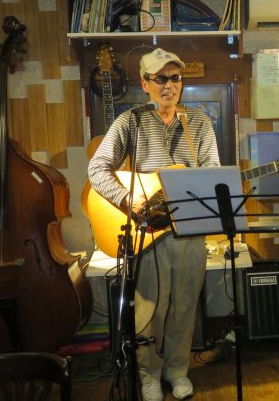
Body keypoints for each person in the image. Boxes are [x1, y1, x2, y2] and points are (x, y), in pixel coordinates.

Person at [88, 47, 220, 401]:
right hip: (148, 231)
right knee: (150, 309)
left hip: (189, 228)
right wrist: (127, 199)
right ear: (145, 84)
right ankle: (149, 374)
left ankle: (177, 370)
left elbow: (212, 171)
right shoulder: (129, 121)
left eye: (175, 78)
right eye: (160, 78)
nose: (169, 85)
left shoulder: (199, 122)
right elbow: (97, 169)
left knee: (184, 306)